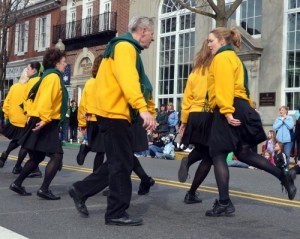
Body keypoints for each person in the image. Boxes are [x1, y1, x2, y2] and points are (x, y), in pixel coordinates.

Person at [69, 16, 157, 226]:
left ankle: (81, 190)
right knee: (121, 165)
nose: (153, 39)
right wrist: (142, 109)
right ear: (143, 30)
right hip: (114, 113)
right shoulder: (126, 47)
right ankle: (116, 212)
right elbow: (128, 80)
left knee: (120, 161)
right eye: (152, 34)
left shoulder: (120, 47)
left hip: (111, 112)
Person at [206, 27, 297, 217]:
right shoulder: (235, 58)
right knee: (244, 152)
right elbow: (243, 89)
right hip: (243, 106)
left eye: (211, 41)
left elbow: (223, 87)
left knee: (218, 154)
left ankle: (224, 202)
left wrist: (227, 112)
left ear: (222, 41)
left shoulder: (221, 58)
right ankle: (283, 176)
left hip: (229, 107)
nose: (208, 45)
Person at [9, 48, 68, 200]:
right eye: (63, 62)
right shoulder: (53, 77)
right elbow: (46, 100)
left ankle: (17, 183)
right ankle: (44, 189)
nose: (65, 65)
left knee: (38, 156)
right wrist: (45, 119)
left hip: (41, 118)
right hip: (46, 120)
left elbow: (32, 98)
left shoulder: (46, 76)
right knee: (57, 156)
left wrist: (32, 115)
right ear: (55, 63)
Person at [176, 39, 214, 204]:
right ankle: (191, 191)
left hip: (194, 115)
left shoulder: (194, 72)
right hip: (209, 114)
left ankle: (189, 161)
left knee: (202, 150)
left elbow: (187, 99)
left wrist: (184, 121)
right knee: (210, 156)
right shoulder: (216, 69)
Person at [76, 55, 105, 172]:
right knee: (101, 150)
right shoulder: (105, 83)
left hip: (90, 120)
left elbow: (82, 104)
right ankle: (95, 176)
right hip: (101, 118)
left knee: (98, 147)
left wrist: (82, 123)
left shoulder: (89, 83)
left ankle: (86, 147)